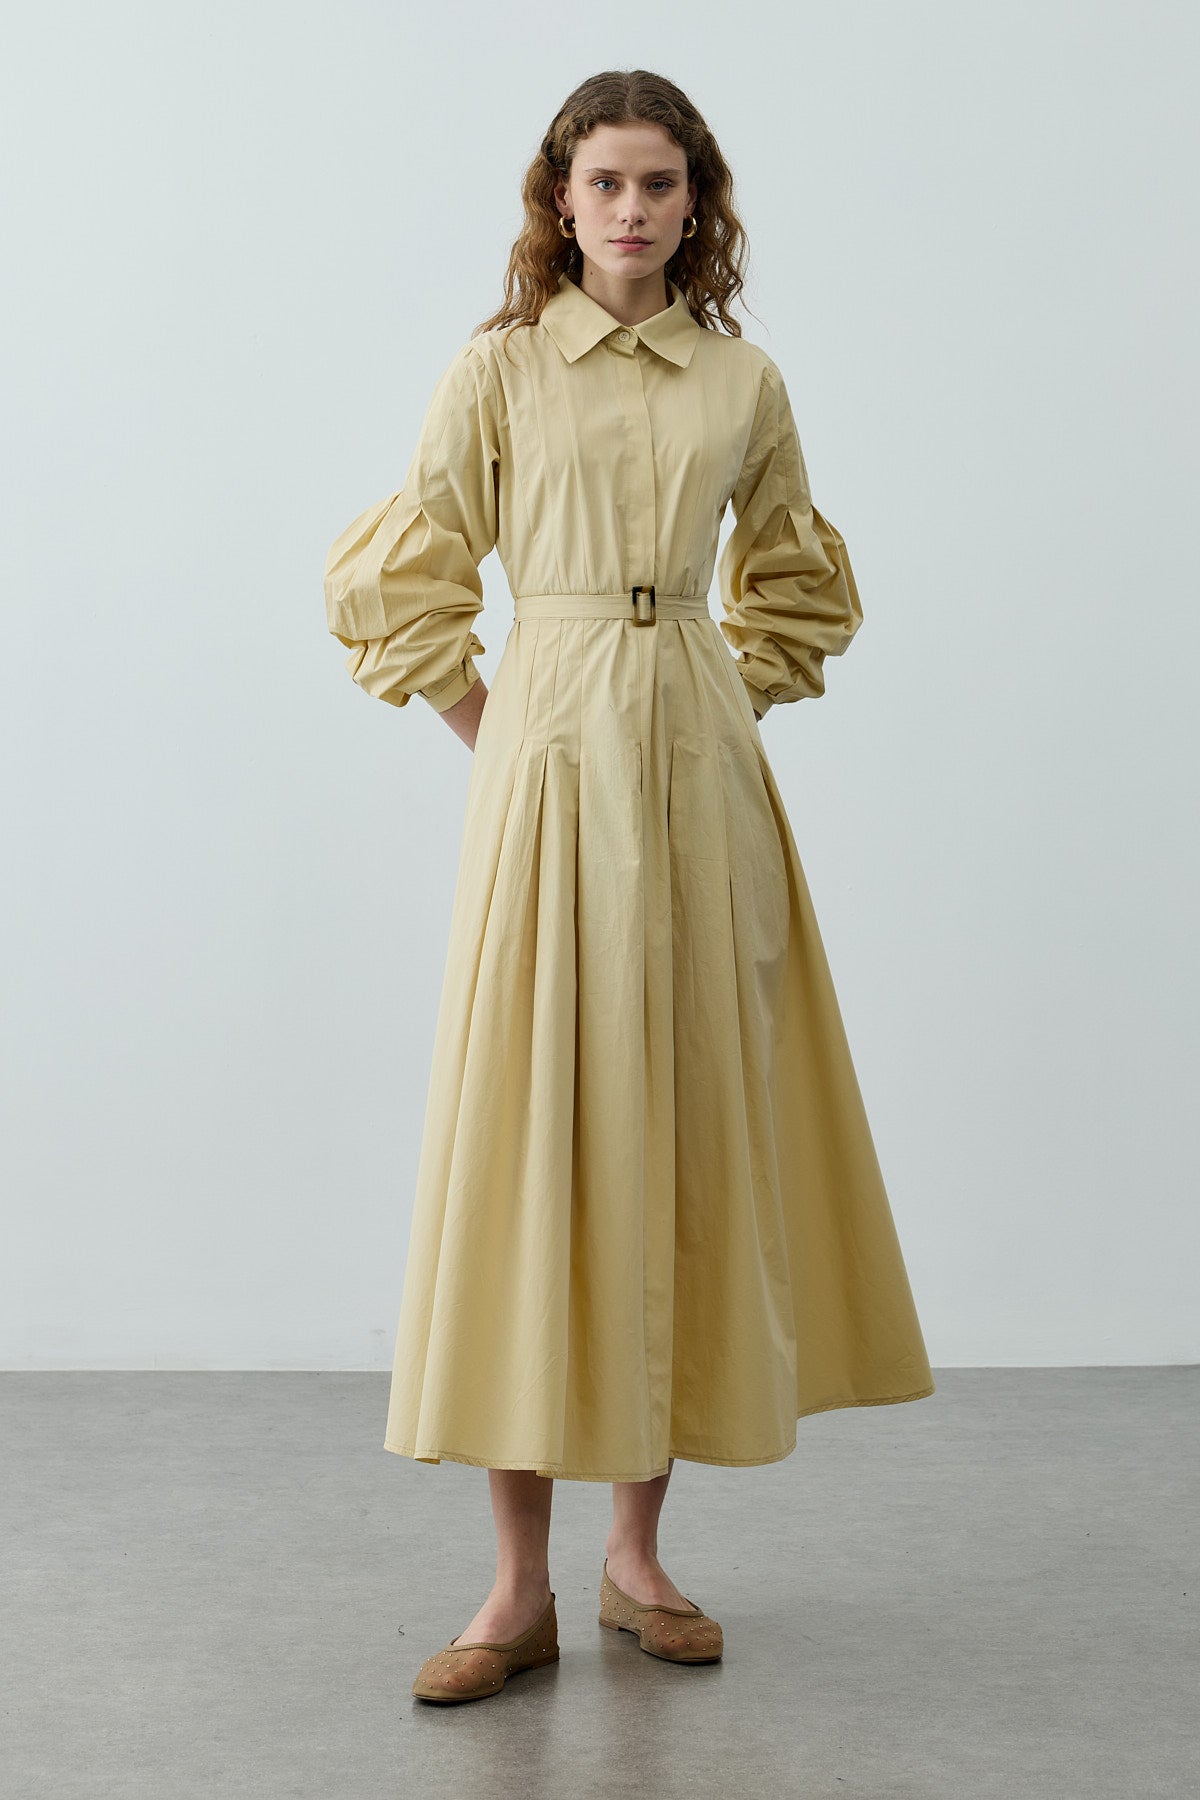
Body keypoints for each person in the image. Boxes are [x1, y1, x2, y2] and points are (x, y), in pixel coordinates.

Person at [324, 68, 935, 1705]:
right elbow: (407, 571)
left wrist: (721, 706)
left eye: (662, 182)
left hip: (699, 795)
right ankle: (514, 1586)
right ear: (561, 198)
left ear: (696, 202)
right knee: (535, 1141)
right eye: (606, 181)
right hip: (550, 780)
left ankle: (638, 1559)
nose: (634, 209)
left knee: (674, 1137)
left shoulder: (741, 379)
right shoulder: (501, 370)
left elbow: (792, 578)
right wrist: (501, 728)